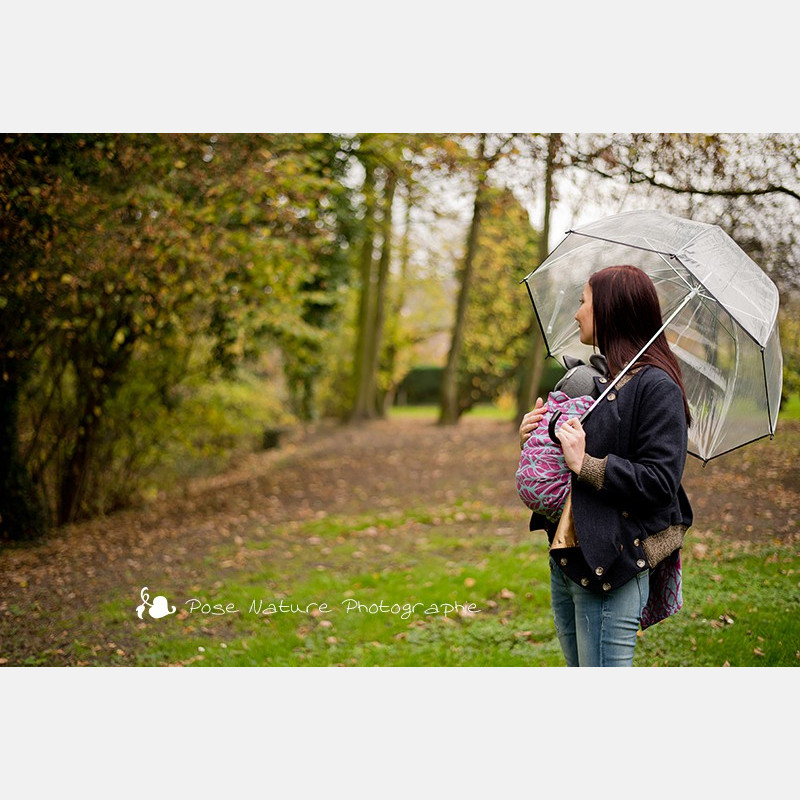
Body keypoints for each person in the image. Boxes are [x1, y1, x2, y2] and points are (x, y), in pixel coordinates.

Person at [518, 264, 693, 667]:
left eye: (584, 302)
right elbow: (566, 462)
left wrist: (587, 464)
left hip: (610, 566)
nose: (578, 313)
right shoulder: (602, 382)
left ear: (609, 310)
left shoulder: (657, 387)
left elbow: (660, 481)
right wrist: (537, 438)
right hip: (568, 559)